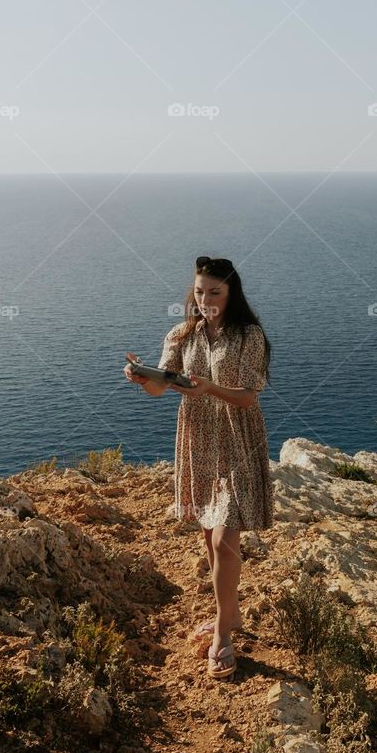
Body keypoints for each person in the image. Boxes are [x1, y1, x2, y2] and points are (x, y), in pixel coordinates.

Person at [124, 255, 273, 680]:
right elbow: (161, 387)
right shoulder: (182, 334)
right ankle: (233, 613)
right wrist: (141, 378)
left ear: (231, 293)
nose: (205, 299)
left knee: (226, 536)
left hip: (237, 438)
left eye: (215, 292)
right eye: (200, 291)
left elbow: (248, 397)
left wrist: (209, 387)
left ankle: (223, 636)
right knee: (210, 538)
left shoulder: (249, 336)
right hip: (199, 439)